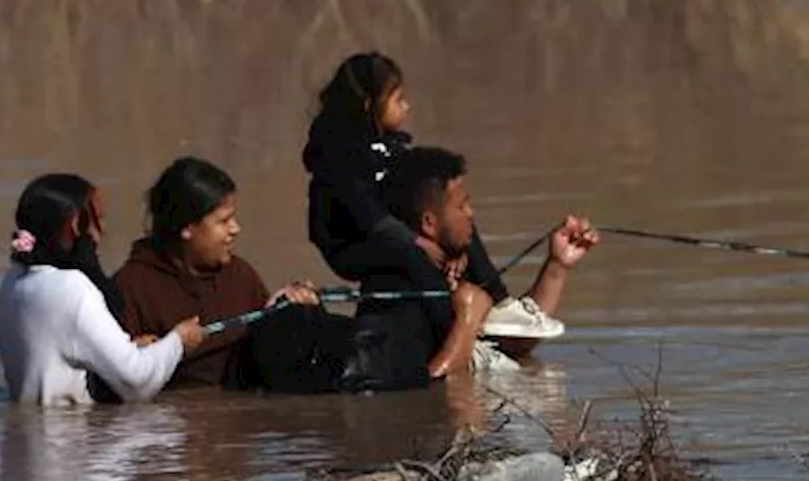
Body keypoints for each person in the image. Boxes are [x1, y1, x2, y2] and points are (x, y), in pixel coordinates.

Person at [302, 52, 562, 343]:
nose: (407, 107)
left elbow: (415, 197)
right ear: (369, 105)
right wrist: (418, 242)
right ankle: (451, 323)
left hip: (395, 232)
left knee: (458, 218)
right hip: (352, 244)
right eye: (398, 100)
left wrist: (454, 248)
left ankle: (499, 301)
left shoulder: (391, 148)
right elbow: (367, 215)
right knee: (410, 255)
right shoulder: (340, 156)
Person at [367, 145, 599, 378]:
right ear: (429, 222)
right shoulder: (398, 291)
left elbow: (514, 346)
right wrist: (467, 320)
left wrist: (557, 266)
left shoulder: (452, 273)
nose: (470, 213)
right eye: (461, 206)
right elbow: (419, 388)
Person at [0, 173, 205, 406]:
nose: (102, 230)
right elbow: (136, 382)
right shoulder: (71, 288)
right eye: (99, 219)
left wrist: (134, 349)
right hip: (71, 438)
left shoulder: (13, 279)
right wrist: (178, 341)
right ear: (76, 225)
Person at [112, 157, 322, 389]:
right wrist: (140, 354)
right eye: (223, 221)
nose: (236, 229)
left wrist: (281, 310)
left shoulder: (240, 274)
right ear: (187, 227)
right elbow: (115, 378)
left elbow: (261, 354)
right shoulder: (131, 286)